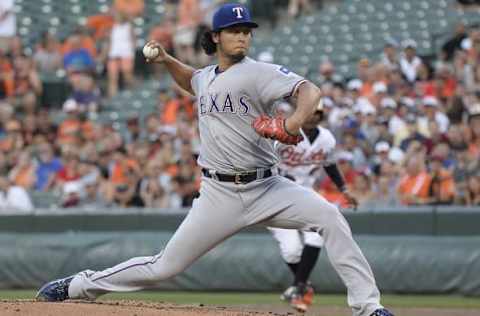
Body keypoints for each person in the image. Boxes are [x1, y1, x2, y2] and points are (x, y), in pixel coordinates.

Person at [36, 4, 393, 316]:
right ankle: (80, 286)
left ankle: (368, 307)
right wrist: (166, 60)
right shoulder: (206, 77)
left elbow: (309, 91)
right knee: (163, 267)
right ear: (217, 37)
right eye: (234, 31)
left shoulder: (258, 72)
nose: (242, 37)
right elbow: (191, 80)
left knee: (330, 216)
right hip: (218, 195)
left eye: (246, 31)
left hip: (268, 186)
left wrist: (293, 122)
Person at [269, 101, 358, 312]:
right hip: (274, 195)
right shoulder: (286, 130)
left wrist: (344, 189)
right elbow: (264, 158)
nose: (313, 116)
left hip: (304, 194)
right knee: (291, 251)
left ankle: (298, 287)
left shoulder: (326, 138)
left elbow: (329, 164)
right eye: (311, 111)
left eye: (318, 113)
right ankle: (302, 286)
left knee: (316, 235)